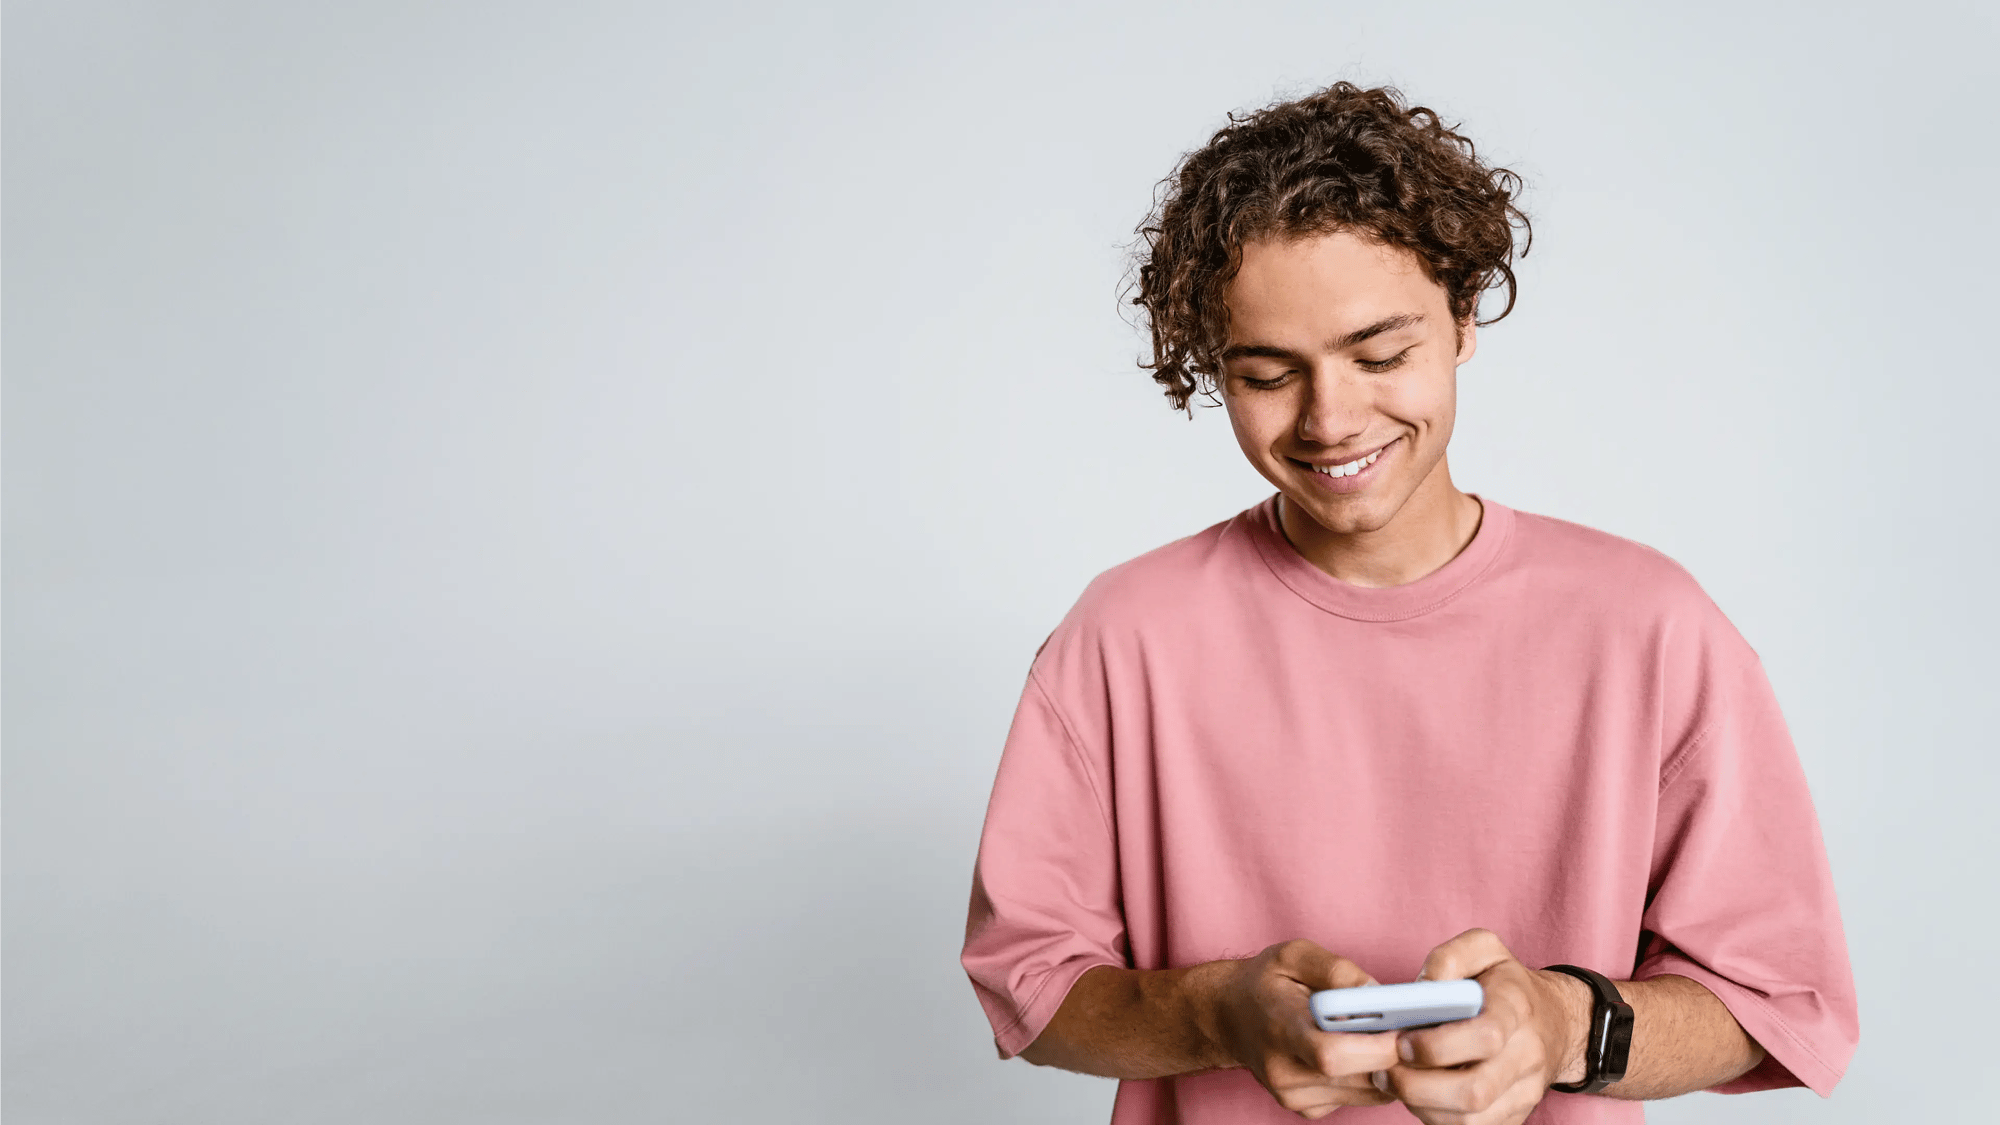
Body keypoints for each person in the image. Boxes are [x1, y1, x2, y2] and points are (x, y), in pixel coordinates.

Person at [958, 82, 1857, 1125]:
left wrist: (1562, 1026)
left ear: (1463, 316)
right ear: (1210, 365)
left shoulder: (1647, 627)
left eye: (1381, 355)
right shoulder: (1120, 638)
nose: (1330, 419)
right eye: (1263, 374)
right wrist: (1214, 1015)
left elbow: (1776, 1001)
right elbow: (1026, 982)